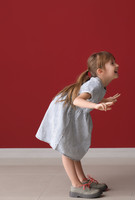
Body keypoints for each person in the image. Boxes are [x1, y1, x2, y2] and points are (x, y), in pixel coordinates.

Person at [36, 51, 120, 198]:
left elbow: (92, 97)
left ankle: (83, 180)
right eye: (112, 63)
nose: (117, 65)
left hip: (72, 113)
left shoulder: (99, 85)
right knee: (67, 148)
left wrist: (105, 100)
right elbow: (77, 101)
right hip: (65, 113)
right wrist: (96, 106)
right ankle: (75, 186)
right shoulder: (94, 84)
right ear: (100, 71)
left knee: (73, 147)